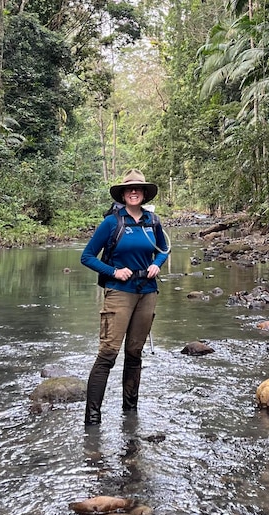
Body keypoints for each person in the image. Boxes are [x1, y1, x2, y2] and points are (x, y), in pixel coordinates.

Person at [80, 169, 169, 426]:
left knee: (134, 353)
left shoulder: (153, 221)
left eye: (138, 189)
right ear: (123, 193)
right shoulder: (112, 222)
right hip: (119, 293)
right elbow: (87, 257)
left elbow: (163, 250)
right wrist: (113, 271)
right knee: (108, 354)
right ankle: (93, 419)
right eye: (129, 188)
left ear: (143, 193)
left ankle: (130, 412)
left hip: (147, 292)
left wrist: (158, 264)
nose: (134, 192)